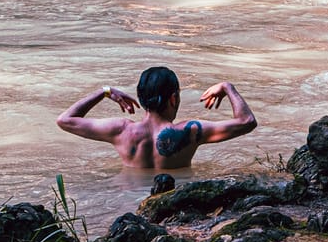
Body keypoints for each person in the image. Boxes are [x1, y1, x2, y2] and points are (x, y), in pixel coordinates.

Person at [57, 67, 257, 170]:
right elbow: (247, 121)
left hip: (129, 199)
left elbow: (65, 120)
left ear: (141, 98)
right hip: (172, 200)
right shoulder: (191, 131)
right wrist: (227, 87)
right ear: (173, 98)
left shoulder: (121, 130)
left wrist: (105, 92)